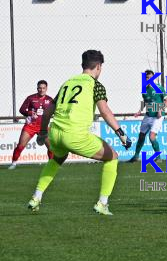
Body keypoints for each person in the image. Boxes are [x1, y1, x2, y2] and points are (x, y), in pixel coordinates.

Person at [28, 50, 132, 215]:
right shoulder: (95, 85)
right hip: (74, 135)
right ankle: (102, 203)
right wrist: (121, 133)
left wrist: (42, 132)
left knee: (57, 159)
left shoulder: (67, 83)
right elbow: (105, 111)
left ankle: (36, 197)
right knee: (112, 157)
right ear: (98, 67)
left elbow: (48, 111)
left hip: (55, 133)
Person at [8, 81, 54, 170]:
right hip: (30, 126)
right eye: (40, 88)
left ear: (46, 88)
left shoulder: (50, 99)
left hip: (43, 127)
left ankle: (51, 165)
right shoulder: (31, 98)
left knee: (51, 147)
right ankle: (13, 163)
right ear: (37, 88)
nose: (41, 90)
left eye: (43, 88)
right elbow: (21, 110)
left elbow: (53, 111)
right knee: (21, 145)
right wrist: (30, 113)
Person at [128, 70, 167, 163]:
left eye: (151, 78)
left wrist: (161, 109)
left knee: (152, 137)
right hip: (148, 115)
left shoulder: (159, 88)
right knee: (141, 136)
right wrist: (139, 111)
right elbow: (146, 102)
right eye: (147, 78)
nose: (149, 79)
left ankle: (158, 157)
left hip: (158, 116)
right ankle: (136, 156)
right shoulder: (144, 89)